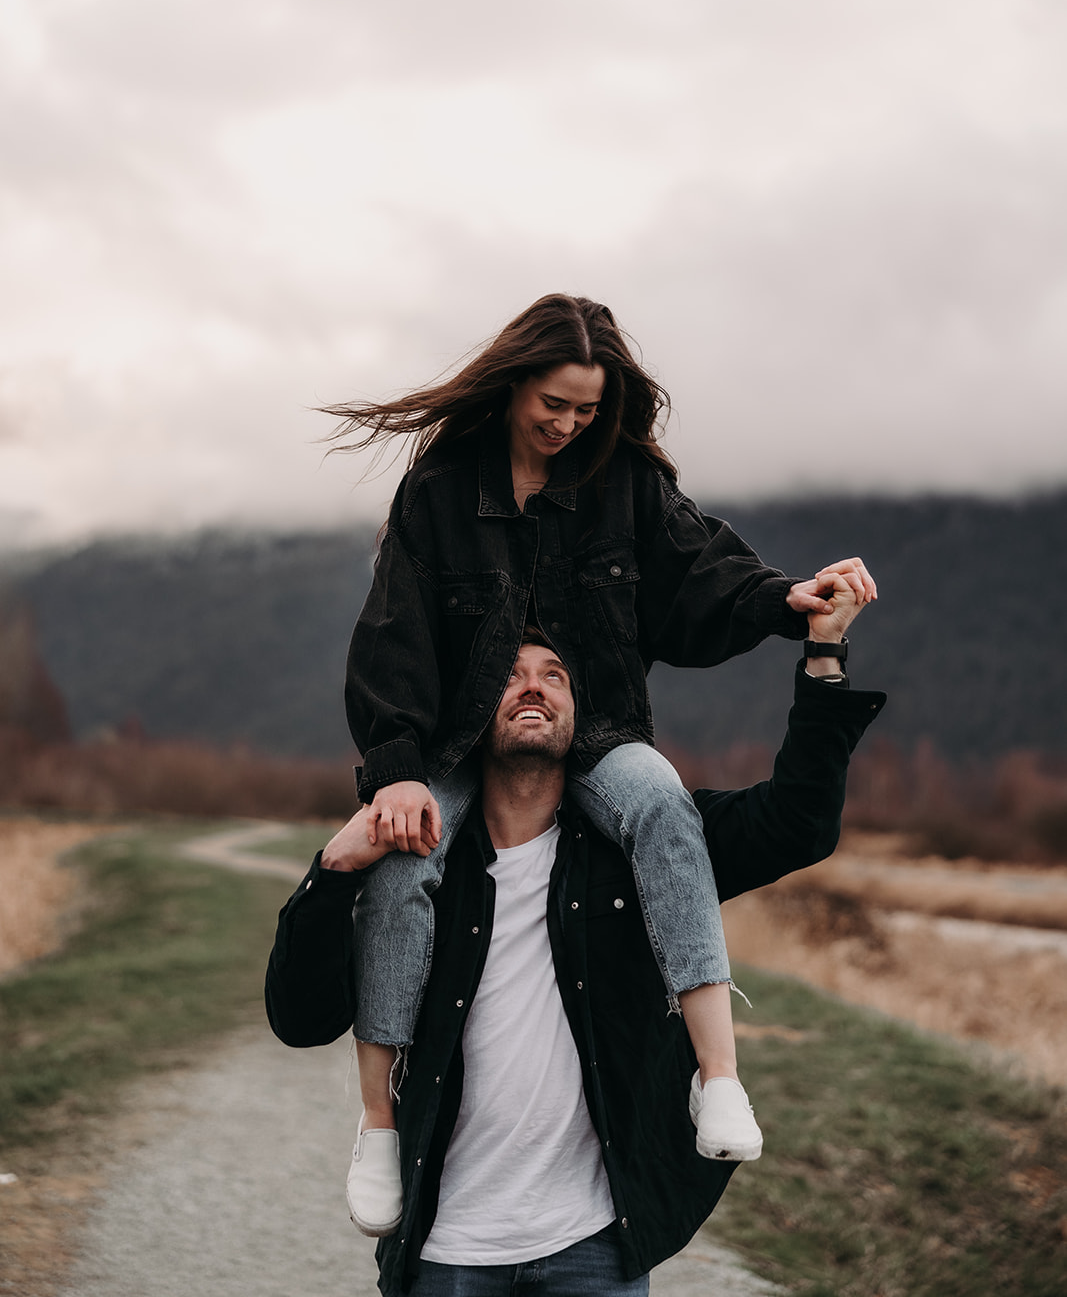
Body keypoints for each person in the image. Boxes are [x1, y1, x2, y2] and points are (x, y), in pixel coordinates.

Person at [322, 293, 877, 1223]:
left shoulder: (624, 482)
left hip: (599, 730)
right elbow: (393, 635)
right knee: (400, 860)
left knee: (661, 804)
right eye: (553, 403)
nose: (568, 423)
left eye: (585, 408)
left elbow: (703, 574)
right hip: (460, 743)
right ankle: (378, 1126)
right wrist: (397, 768)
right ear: (512, 385)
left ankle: (719, 1079)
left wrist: (791, 600)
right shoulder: (441, 488)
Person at [265, 579, 884, 1297]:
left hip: (593, 1244)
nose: (533, 688)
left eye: (553, 676)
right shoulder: (419, 863)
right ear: (469, 708)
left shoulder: (643, 850)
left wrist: (824, 658)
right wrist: (335, 869)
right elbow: (300, 1019)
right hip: (444, 1248)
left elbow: (798, 823)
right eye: (507, 676)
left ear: (579, 709)